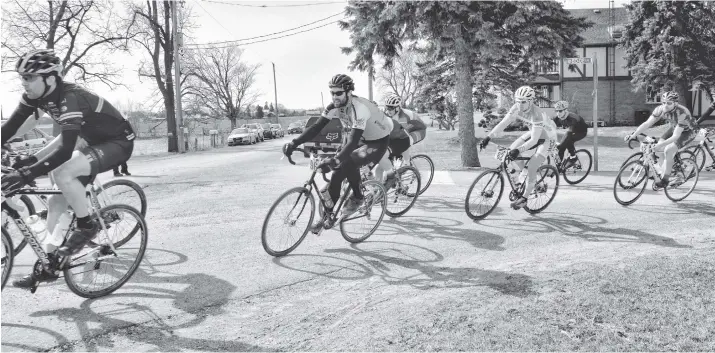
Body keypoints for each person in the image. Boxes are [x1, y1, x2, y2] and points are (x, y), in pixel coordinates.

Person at [1, 49, 136, 288]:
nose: (24, 83)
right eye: (22, 77)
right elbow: (10, 128)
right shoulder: (35, 96)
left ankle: (87, 225)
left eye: (29, 77)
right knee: (55, 203)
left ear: (50, 78)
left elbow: (64, 150)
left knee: (64, 172)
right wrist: (30, 162)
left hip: (117, 142)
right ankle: (49, 265)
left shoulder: (70, 98)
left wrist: (25, 173)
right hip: (89, 141)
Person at [282, 74, 392, 230]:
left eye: (338, 93)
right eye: (332, 92)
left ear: (348, 92)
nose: (335, 96)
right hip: (359, 137)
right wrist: (294, 143)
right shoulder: (333, 107)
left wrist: (335, 160)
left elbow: (353, 141)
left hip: (377, 141)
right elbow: (315, 128)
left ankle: (358, 197)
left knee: (347, 161)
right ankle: (327, 218)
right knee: (336, 176)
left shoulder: (360, 109)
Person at [479, 86, 558, 209]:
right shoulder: (516, 107)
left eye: (523, 102)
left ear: (531, 101)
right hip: (534, 132)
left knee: (532, 165)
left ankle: (524, 198)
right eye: (518, 101)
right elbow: (503, 123)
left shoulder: (536, 113)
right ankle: (525, 177)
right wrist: (488, 137)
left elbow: (534, 140)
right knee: (510, 151)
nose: (520, 104)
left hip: (548, 137)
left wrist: (519, 150)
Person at [625, 91, 698, 189]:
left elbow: (676, 136)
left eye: (669, 103)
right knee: (658, 149)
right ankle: (666, 170)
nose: (665, 105)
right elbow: (647, 124)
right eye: (663, 102)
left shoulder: (682, 113)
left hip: (688, 131)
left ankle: (667, 179)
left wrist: (661, 145)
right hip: (674, 127)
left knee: (669, 149)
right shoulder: (660, 109)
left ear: (675, 103)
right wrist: (633, 135)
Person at [374, 94, 427, 189]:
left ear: (398, 108)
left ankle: (407, 163)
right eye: (387, 108)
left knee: (406, 140)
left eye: (391, 108)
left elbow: (402, 137)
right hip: (403, 130)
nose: (388, 110)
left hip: (418, 130)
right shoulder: (387, 114)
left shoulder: (403, 117)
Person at [553, 100, 589, 169]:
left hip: (581, 132)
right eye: (556, 111)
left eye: (560, 111)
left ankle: (573, 157)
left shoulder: (572, 118)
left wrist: (561, 145)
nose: (558, 113)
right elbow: (550, 124)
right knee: (563, 144)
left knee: (564, 142)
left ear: (565, 110)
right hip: (571, 132)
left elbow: (570, 132)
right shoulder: (558, 118)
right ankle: (559, 167)